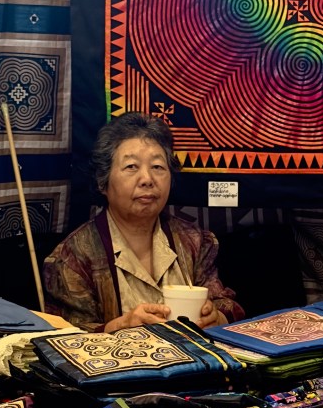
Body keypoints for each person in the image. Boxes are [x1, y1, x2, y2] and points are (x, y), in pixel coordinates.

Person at [43, 112, 244, 333]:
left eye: (157, 167)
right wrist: (120, 326)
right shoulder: (73, 257)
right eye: (131, 167)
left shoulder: (194, 241)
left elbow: (223, 303)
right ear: (102, 181)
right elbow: (64, 336)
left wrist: (217, 317)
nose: (147, 179)